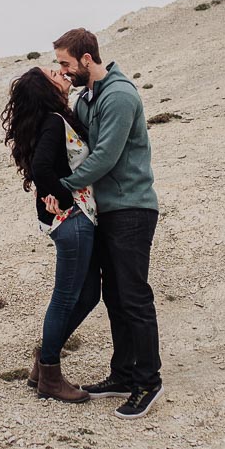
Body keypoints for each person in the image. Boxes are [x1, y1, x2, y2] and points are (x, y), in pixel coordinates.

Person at [51, 28, 164, 419]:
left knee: (133, 295)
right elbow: (75, 132)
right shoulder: (90, 97)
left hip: (132, 207)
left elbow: (104, 158)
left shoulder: (118, 95)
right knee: (114, 296)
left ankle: (148, 381)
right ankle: (123, 374)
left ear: (86, 59)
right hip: (109, 209)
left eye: (65, 63)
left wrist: (62, 189)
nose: (63, 71)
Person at [0, 65, 101, 402]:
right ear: (46, 90)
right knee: (66, 297)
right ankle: (50, 377)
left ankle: (43, 363)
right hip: (72, 220)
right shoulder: (54, 123)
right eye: (54, 75)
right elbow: (42, 167)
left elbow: (46, 166)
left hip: (72, 219)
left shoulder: (53, 121)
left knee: (88, 296)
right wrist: (60, 197)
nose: (62, 74)